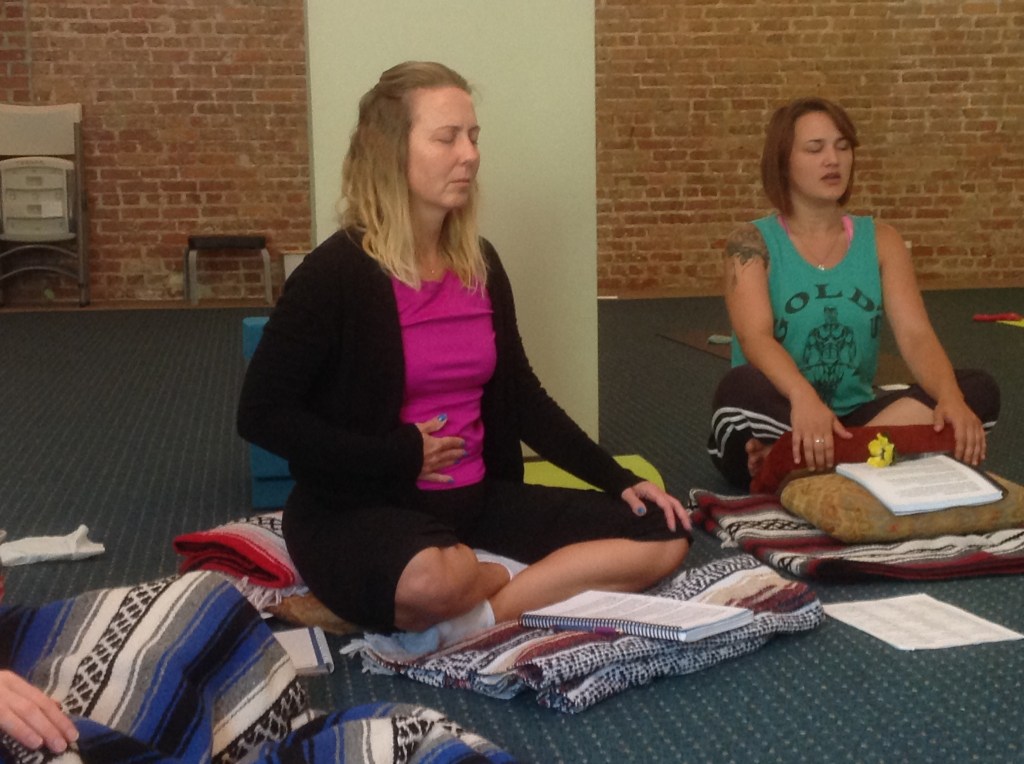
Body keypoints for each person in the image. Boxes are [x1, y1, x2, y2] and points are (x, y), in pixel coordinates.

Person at [237, 61, 690, 649]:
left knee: (664, 532)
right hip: (359, 507)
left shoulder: (481, 263)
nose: (469, 155)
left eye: (473, 136)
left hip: (474, 502)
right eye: (447, 137)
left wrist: (618, 479)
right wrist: (396, 455)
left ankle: (477, 614)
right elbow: (261, 415)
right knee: (432, 579)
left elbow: (522, 397)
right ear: (390, 151)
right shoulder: (335, 274)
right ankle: (491, 581)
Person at [708, 96, 1000, 489]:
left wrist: (949, 397)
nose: (833, 160)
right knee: (739, 387)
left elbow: (916, 336)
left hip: (855, 418)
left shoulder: (881, 240)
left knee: (977, 390)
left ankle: (804, 459)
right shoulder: (750, 242)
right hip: (780, 410)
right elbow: (754, 338)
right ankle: (860, 456)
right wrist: (804, 400)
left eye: (842, 147)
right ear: (783, 162)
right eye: (816, 148)